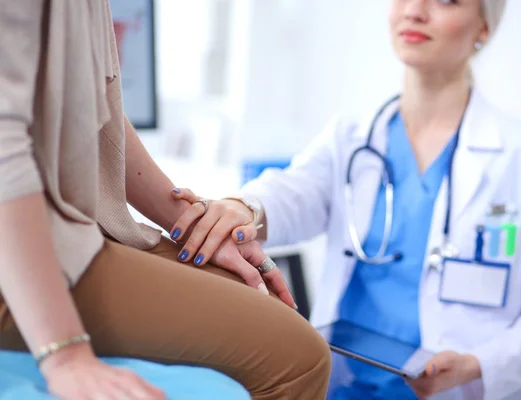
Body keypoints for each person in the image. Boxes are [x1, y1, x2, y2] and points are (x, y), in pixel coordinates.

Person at [173, 0, 521, 398]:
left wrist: (478, 364)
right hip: (345, 382)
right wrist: (245, 208)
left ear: (483, 26)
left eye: (446, 0)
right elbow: (292, 192)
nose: (415, 11)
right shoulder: (351, 139)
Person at [0, 1, 332, 399]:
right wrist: (65, 356)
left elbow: (90, 103)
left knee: (252, 296)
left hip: (70, 224)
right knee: (297, 357)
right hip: (21, 239)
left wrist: (194, 224)